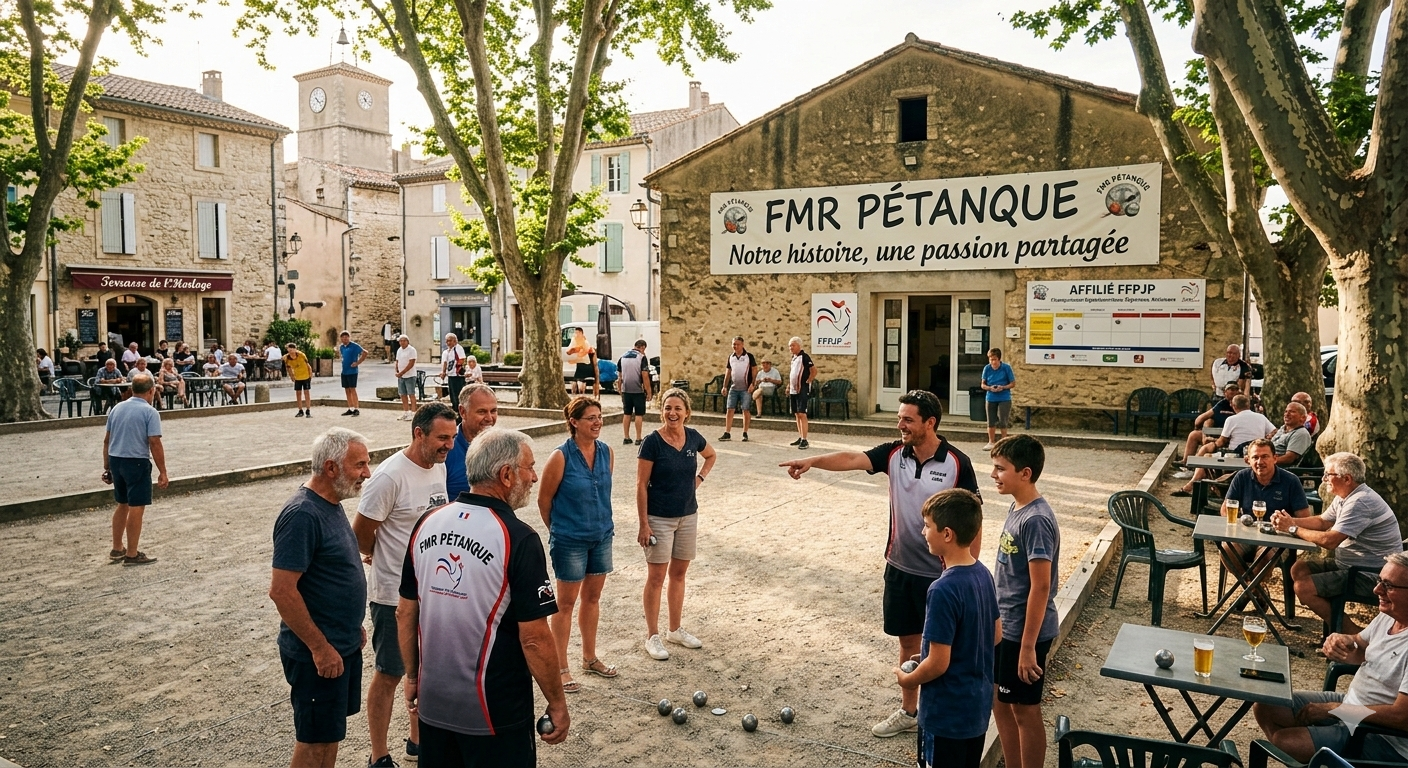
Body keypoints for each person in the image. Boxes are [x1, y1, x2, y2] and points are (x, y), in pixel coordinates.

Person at [779, 389, 981, 738]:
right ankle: (909, 711)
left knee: (941, 647)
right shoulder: (893, 455)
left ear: (929, 423)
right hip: (901, 566)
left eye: (907, 419)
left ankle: (939, 713)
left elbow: (973, 517)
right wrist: (814, 461)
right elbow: (853, 459)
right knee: (907, 642)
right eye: (899, 417)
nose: (900, 424)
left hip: (941, 575)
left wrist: (964, 567)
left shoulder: (957, 463)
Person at [396, 428, 569, 764]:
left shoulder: (427, 523)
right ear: (506, 475)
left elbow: (405, 613)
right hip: (494, 711)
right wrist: (558, 703)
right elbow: (534, 638)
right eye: (529, 468)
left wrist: (413, 676)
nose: (534, 477)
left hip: (434, 703)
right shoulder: (518, 538)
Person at [353, 403, 456, 768]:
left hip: (432, 590)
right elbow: (361, 535)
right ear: (419, 433)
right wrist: (381, 556)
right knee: (390, 673)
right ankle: (378, 754)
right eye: (442, 437)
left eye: (453, 438)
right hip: (392, 595)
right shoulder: (389, 476)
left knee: (426, 670)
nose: (449, 445)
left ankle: (417, 741)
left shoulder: (438, 466)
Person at [269, 428, 373, 768]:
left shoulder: (332, 503)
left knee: (329, 736)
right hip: (317, 655)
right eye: (359, 465)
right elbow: (282, 591)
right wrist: (319, 647)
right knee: (313, 743)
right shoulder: (302, 514)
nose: (367, 473)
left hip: (340, 645)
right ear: (331, 468)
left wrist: (349, 626)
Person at [1252, 552, 1408, 763]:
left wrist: (1336, 711)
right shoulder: (1388, 616)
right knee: (1266, 706)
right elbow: (1359, 644)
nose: (1376, 590)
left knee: (1286, 741)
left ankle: (1329, 758)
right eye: (1380, 580)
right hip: (1352, 705)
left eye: (1388, 585)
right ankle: (1323, 760)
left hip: (1379, 735)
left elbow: (1402, 717)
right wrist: (1341, 640)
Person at [893, 489, 999, 768]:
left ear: (947, 534)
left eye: (928, 526)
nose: (923, 531)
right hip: (976, 710)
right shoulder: (983, 574)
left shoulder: (942, 589)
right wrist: (924, 654)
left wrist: (909, 680)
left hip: (945, 715)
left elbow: (939, 663)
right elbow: (996, 634)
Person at [539, 396, 618, 694]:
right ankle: (560, 667)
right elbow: (544, 501)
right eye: (591, 418)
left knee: (593, 599)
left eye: (599, 417)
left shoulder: (607, 452)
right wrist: (559, 531)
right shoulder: (559, 457)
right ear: (574, 422)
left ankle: (589, 657)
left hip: (601, 536)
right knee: (565, 604)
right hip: (569, 540)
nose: (598, 422)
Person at [988, 435, 1058, 768]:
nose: (994, 474)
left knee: (1024, 709)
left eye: (1001, 468)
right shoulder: (1016, 505)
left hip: (1026, 633)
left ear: (1025, 473)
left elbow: (1041, 587)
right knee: (1001, 704)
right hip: (1007, 627)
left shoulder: (1036, 520)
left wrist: (1028, 647)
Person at [1273, 452, 1402, 632]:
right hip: (1348, 565)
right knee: (1299, 568)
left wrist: (1292, 529)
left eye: (1328, 474)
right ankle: (1335, 628)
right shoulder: (1345, 496)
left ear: (1347, 478)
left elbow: (1329, 540)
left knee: (1304, 588)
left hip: (1370, 575)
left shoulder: (1360, 502)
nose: (1324, 479)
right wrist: (1287, 521)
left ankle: (1354, 635)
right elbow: (1322, 522)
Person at [637, 388, 717, 661]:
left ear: (686, 412)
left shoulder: (693, 437)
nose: (672, 413)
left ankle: (675, 629)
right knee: (656, 578)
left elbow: (712, 455)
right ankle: (652, 636)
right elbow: (640, 485)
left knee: (679, 575)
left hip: (688, 516)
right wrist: (643, 524)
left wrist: (700, 479)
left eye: (677, 408)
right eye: (668, 408)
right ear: (662, 411)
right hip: (659, 519)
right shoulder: (652, 442)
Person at [102, 372, 168, 566]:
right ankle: (132, 553)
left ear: (131, 389)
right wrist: (162, 471)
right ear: (151, 391)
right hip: (136, 461)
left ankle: (117, 547)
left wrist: (107, 466)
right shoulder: (149, 412)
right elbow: (154, 442)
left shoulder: (117, 408)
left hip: (116, 458)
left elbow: (107, 440)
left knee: (122, 503)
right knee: (136, 506)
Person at [1173, 394, 1276, 496]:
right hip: (1254, 455)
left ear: (1234, 406)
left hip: (1236, 455)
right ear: (1248, 405)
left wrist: (1212, 441)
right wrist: (1267, 438)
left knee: (1207, 456)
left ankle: (1194, 486)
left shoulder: (1231, 419)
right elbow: (1275, 431)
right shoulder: (1261, 418)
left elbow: (1221, 442)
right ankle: (1203, 486)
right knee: (1208, 452)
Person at [445, 384, 500, 500]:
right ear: (462, 412)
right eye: (482, 412)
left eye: (493, 411)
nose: (489, 418)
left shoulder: (502, 447)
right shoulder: (446, 450)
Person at [1175, 383, 1242, 478]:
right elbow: (1203, 418)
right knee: (1194, 435)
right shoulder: (1221, 404)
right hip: (1216, 435)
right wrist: (1203, 432)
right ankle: (1186, 462)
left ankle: (1195, 470)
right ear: (1225, 392)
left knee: (1207, 446)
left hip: (1229, 438)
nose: (1233, 392)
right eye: (1230, 389)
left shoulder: (1242, 405)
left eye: (1235, 389)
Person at [721, 336, 756, 442]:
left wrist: (753, 384)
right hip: (734, 388)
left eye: (737, 344)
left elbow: (754, 370)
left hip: (746, 388)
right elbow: (728, 372)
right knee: (730, 409)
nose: (735, 346)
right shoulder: (731, 357)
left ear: (742, 345)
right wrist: (724, 386)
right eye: (733, 344)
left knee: (745, 410)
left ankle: (745, 433)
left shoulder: (749, 356)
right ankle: (727, 432)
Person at [617, 340, 652, 445]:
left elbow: (620, 376)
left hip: (626, 390)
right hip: (638, 390)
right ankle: (638, 438)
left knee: (627, 413)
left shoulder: (622, 357)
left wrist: (620, 389)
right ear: (642, 347)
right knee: (638, 414)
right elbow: (645, 376)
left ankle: (626, 437)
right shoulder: (642, 358)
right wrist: (649, 391)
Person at [981, 347, 1016, 451]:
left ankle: (1004, 442)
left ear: (999, 359)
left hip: (1004, 397)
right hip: (991, 397)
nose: (992, 362)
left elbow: (1013, 383)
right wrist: (989, 388)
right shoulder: (987, 368)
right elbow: (983, 384)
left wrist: (1003, 387)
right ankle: (991, 441)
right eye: (990, 359)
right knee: (991, 420)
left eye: (994, 359)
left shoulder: (1006, 368)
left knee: (1003, 420)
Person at [787, 336, 816, 449]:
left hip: (802, 389)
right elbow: (792, 373)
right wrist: (789, 386)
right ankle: (800, 436)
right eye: (790, 346)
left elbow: (813, 370)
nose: (791, 348)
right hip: (794, 389)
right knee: (797, 413)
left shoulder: (804, 357)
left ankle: (805, 439)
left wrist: (809, 380)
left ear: (799, 346)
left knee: (802, 413)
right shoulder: (793, 358)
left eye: (793, 345)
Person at [1270, 401, 1314, 466]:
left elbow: (1289, 458)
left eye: (1292, 412)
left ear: (1303, 418)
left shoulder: (1301, 433)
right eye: (1286, 411)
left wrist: (1268, 461)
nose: (1287, 414)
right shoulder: (1283, 428)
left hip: (1278, 469)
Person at [337, 331, 366, 417]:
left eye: (346, 337)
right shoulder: (341, 347)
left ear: (349, 337)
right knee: (347, 390)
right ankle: (351, 407)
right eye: (343, 337)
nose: (344, 338)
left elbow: (365, 352)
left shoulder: (354, 346)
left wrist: (357, 363)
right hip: (344, 371)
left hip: (352, 371)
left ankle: (356, 408)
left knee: (352, 389)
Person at [565, 327, 599, 397]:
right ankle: (577, 395)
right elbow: (569, 351)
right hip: (581, 363)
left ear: (581, 333)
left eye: (578, 333)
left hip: (586, 363)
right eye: (576, 333)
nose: (576, 334)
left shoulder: (584, 342)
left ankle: (581, 395)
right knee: (577, 379)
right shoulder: (575, 341)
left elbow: (585, 352)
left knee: (581, 380)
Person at [285, 344, 314, 418]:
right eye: (289, 349)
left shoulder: (301, 355)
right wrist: (292, 376)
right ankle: (300, 410)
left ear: (295, 349)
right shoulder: (287, 358)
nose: (291, 351)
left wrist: (310, 374)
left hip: (305, 376)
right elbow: (288, 368)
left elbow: (308, 365)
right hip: (297, 377)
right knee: (298, 393)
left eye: (292, 349)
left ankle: (308, 410)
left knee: (306, 393)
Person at [394, 335, 419, 421]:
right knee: (403, 394)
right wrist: (397, 370)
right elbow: (397, 361)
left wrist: (402, 372)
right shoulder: (399, 350)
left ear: (407, 341)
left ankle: (413, 412)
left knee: (411, 394)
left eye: (404, 341)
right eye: (400, 341)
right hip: (401, 376)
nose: (402, 342)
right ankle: (406, 412)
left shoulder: (411, 350)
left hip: (410, 375)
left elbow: (411, 363)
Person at [441, 332, 467, 411]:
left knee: (458, 395)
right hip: (451, 375)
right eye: (447, 341)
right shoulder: (446, 352)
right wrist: (444, 372)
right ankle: (455, 410)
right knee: (452, 396)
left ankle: (460, 412)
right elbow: (445, 363)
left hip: (457, 375)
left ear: (455, 341)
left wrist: (457, 368)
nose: (448, 343)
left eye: (450, 341)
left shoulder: (458, 348)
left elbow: (462, 359)